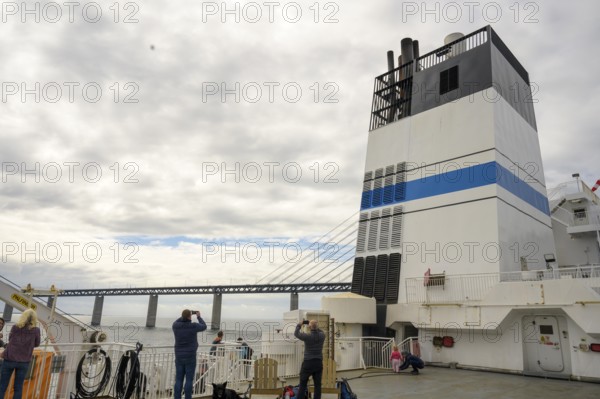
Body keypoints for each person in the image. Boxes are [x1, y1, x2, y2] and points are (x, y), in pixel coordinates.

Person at [0, 309, 41, 399]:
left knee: (2, 386)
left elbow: (10, 339)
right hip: (24, 361)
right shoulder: (36, 330)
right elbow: (37, 343)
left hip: (9, 359)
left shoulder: (15, 327)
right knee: (18, 388)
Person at [172, 309, 207, 399]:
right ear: (189, 316)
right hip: (190, 356)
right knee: (189, 380)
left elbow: (178, 320)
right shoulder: (193, 326)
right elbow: (204, 326)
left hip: (179, 356)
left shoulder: (175, 326)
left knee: (178, 379)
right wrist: (198, 316)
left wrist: (185, 316)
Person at [294, 320, 325, 399]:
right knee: (317, 385)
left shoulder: (307, 336)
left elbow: (296, 333)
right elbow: (320, 331)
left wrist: (299, 325)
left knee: (303, 385)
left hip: (308, 363)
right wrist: (314, 325)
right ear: (317, 327)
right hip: (318, 363)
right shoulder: (322, 335)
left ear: (310, 327)